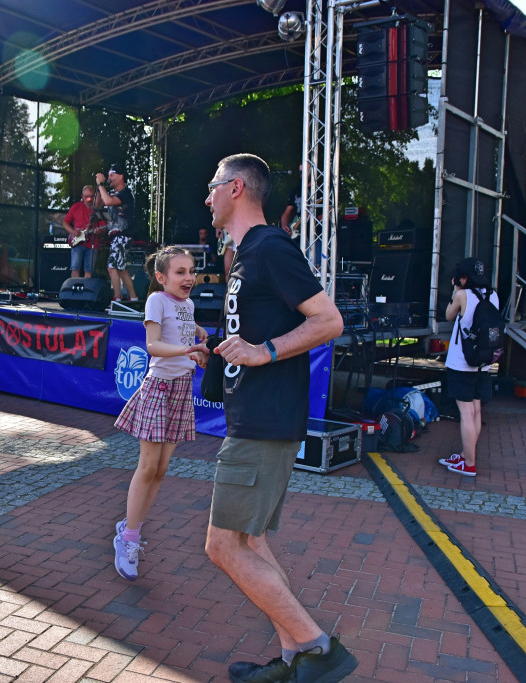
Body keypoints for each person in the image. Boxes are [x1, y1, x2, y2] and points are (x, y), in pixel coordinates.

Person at [191, 153, 354, 683]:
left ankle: (317, 649)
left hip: (264, 423)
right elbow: (254, 328)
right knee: (252, 543)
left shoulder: (270, 248)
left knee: (222, 545)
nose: (207, 196)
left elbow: (329, 321)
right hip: (258, 417)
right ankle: (291, 662)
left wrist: (265, 349)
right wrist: (216, 349)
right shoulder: (245, 255)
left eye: (213, 187)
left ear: (236, 188)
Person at [112, 246, 207, 581]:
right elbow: (153, 345)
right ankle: (128, 540)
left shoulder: (188, 304)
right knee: (148, 466)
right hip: (159, 389)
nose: (189, 278)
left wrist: (198, 333)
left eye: (191, 271)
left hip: (182, 389)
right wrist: (189, 348)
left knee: (162, 469)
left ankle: (130, 525)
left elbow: (182, 326)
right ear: (161, 277)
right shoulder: (156, 300)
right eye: (180, 272)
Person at [440, 257, 499, 477]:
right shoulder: (493, 295)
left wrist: (455, 290)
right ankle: (466, 454)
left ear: (463, 277)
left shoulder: (462, 295)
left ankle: (470, 462)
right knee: (476, 410)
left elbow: (449, 315)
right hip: (483, 361)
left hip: (461, 361)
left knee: (465, 412)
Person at [95, 163, 138, 303]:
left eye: (112, 175)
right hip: (117, 236)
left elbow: (107, 201)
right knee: (120, 268)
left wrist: (101, 185)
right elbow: (98, 205)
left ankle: (117, 299)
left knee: (112, 267)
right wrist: (99, 186)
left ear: (121, 176)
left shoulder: (125, 193)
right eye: (108, 176)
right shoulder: (114, 193)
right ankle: (133, 298)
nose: (109, 178)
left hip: (123, 235)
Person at [62, 185, 104, 279]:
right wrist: (73, 231)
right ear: (82, 196)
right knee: (75, 269)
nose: (89, 198)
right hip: (77, 242)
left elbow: (104, 227)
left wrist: (99, 231)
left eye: (91, 196)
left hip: (92, 244)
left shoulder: (97, 209)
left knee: (88, 272)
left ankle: (85, 292)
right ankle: (75, 291)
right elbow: (65, 223)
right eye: (86, 196)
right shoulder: (76, 207)